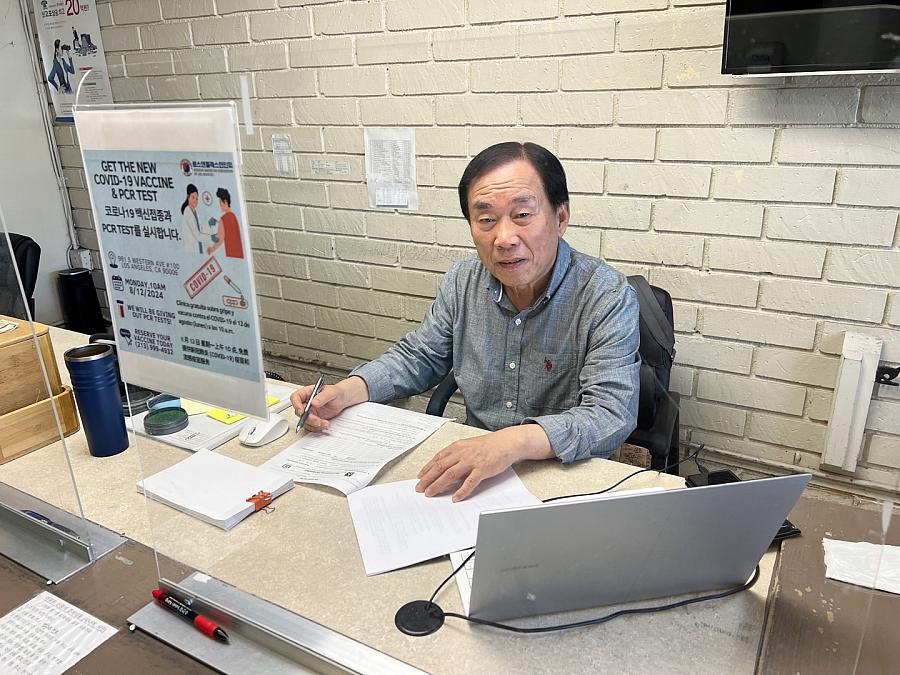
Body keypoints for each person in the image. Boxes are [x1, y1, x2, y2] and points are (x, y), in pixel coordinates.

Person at [291, 142, 640, 502]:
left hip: (562, 474)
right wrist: (344, 392)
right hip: (476, 474)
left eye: (522, 215)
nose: (504, 238)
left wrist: (509, 443)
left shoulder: (606, 295)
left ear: (560, 218)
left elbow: (610, 413)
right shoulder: (463, 281)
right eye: (486, 220)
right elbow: (420, 356)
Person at [207, 188, 244, 259]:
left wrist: (211, 248)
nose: (219, 205)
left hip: (231, 254)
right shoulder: (233, 216)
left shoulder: (223, 219)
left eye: (220, 202)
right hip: (239, 253)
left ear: (225, 202)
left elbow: (219, 239)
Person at [180, 184, 206, 254]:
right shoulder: (187, 212)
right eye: (193, 197)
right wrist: (211, 237)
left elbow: (201, 230)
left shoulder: (195, 212)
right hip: (192, 250)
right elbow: (197, 234)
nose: (195, 200)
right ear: (188, 197)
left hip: (199, 248)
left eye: (197, 198)